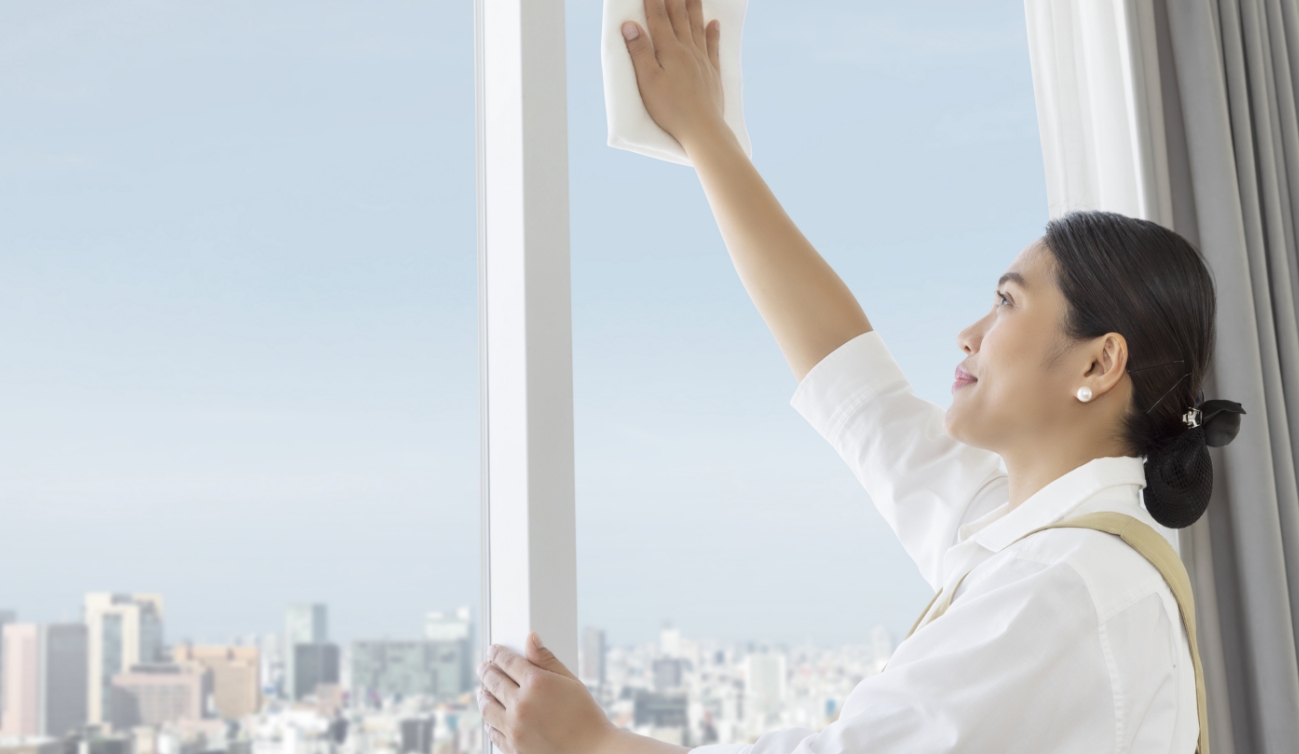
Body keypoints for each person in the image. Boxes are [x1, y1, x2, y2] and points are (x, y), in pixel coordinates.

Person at [476, 0, 1243, 752]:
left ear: (1098, 362)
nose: (969, 334)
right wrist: (707, 134)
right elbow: (853, 384)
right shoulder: (1029, 537)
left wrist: (594, 745)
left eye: (1006, 303)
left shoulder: (1063, 589)